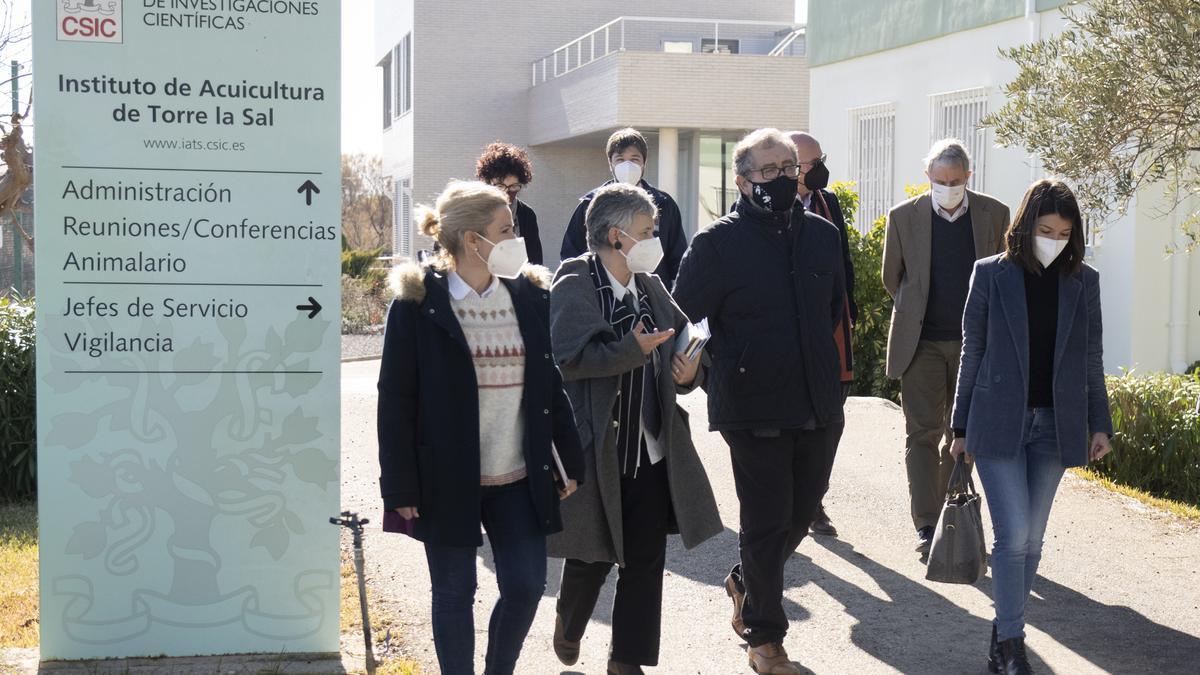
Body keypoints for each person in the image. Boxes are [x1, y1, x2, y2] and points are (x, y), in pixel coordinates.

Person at [377, 180, 585, 675]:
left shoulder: (529, 295)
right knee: (454, 593)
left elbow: (548, 384)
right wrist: (400, 484)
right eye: (506, 228)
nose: (517, 236)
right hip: (445, 478)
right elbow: (396, 400)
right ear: (473, 239)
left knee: (525, 585)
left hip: (517, 475)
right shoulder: (417, 303)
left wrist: (568, 460)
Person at [673, 128, 846, 675]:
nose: (782, 178)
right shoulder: (716, 245)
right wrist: (694, 372)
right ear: (743, 181)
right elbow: (681, 318)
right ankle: (766, 642)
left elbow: (833, 309)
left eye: (788, 167)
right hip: (750, 402)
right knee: (768, 520)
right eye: (767, 171)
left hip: (818, 399)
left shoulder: (822, 234)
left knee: (803, 507)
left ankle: (746, 580)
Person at [547, 183, 722, 675]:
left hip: (650, 447)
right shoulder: (575, 281)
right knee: (593, 556)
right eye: (647, 231)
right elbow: (568, 359)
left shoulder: (650, 284)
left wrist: (690, 369)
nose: (655, 238)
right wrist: (631, 350)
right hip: (598, 447)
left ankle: (626, 661)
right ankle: (570, 621)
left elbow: (683, 337)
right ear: (617, 236)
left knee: (645, 561)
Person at [949, 179, 1113, 674]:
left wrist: (1099, 423)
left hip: (1055, 424)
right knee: (1013, 535)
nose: (1055, 239)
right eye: (1045, 229)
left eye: (1064, 232)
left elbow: (1090, 357)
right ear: (1024, 227)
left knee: (1033, 539)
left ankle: (1005, 626)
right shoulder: (989, 274)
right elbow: (972, 350)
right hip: (998, 421)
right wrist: (959, 427)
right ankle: (1013, 644)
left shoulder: (1084, 281)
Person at [881, 138, 1010, 556]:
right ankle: (925, 523)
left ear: (968, 177)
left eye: (956, 180)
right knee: (922, 432)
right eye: (941, 180)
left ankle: (952, 511)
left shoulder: (995, 214)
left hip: (976, 345)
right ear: (928, 178)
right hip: (921, 342)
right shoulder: (903, 217)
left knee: (965, 434)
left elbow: (1003, 272)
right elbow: (892, 278)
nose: (948, 187)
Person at [788, 130, 857, 538]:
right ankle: (795, 500)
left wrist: (850, 310)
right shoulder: (759, 206)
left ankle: (814, 500)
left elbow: (841, 260)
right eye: (813, 164)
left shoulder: (828, 203)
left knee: (831, 419)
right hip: (788, 334)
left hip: (832, 330)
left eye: (820, 160)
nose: (821, 170)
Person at [559, 128, 687, 287]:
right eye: (620, 159)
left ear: (644, 162)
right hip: (603, 295)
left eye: (634, 159)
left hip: (653, 295)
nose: (627, 166)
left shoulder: (664, 204)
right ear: (610, 163)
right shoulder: (591, 204)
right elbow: (571, 255)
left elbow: (678, 259)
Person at [476, 141, 544, 265]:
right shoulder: (472, 211)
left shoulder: (526, 215)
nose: (507, 192)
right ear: (487, 183)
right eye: (500, 186)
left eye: (514, 187)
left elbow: (535, 262)